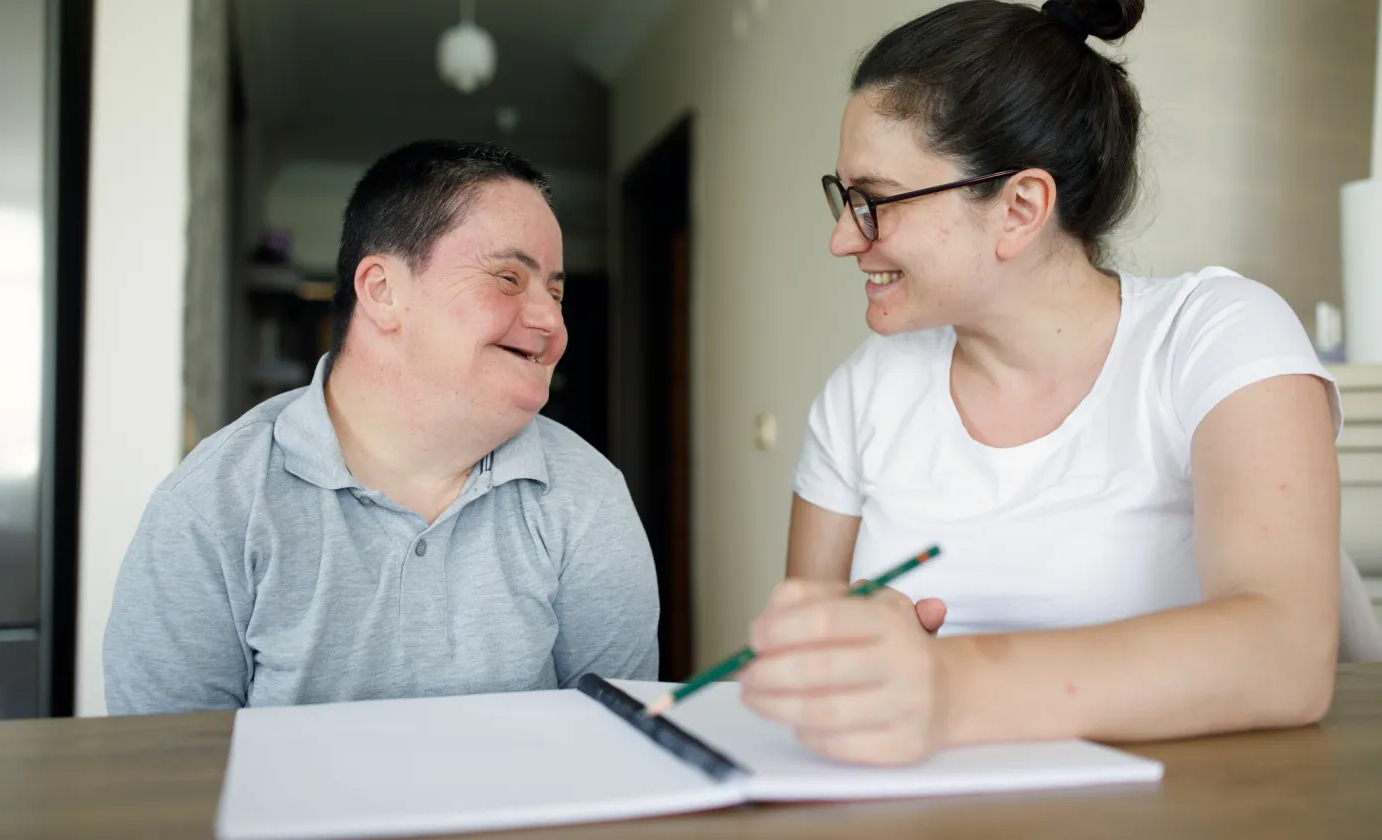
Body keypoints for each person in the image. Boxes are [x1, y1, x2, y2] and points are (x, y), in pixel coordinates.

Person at [737, 0, 1344, 765]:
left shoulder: (1218, 337)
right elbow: (814, 672)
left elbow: (1284, 656)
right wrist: (847, 663)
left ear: (1020, 208)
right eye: (844, 197)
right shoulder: (863, 394)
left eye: (874, 203)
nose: (841, 238)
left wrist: (945, 686)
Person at [104, 140, 660, 714]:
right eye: (509, 278)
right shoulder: (211, 509)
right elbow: (167, 778)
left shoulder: (588, 496)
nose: (551, 321)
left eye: (555, 291)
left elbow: (622, 752)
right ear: (382, 290)